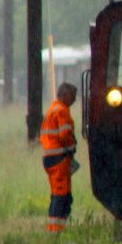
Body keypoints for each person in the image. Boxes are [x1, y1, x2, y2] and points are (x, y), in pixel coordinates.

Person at [40, 82, 78, 232]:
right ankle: (54, 230)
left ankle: (57, 228)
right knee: (61, 195)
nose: (74, 100)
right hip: (59, 158)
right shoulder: (61, 111)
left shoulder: (52, 109)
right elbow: (65, 136)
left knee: (61, 195)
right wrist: (72, 148)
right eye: (73, 97)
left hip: (51, 158)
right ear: (65, 95)